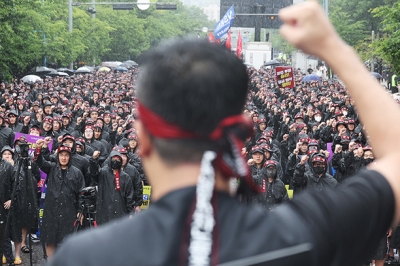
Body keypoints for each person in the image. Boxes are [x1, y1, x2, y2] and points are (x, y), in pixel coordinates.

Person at [48, 2, 400, 265]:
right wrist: (335, 49)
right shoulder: (297, 236)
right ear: (237, 132)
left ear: (143, 138)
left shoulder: (87, 256)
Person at [34, 142, 84, 258]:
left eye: (66, 155)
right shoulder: (51, 168)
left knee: (68, 242)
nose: (64, 158)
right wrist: (38, 148)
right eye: (61, 155)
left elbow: (81, 193)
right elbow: (40, 162)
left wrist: (80, 210)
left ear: (70, 157)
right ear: (58, 156)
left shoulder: (77, 173)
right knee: (50, 240)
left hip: (69, 211)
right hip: (51, 211)